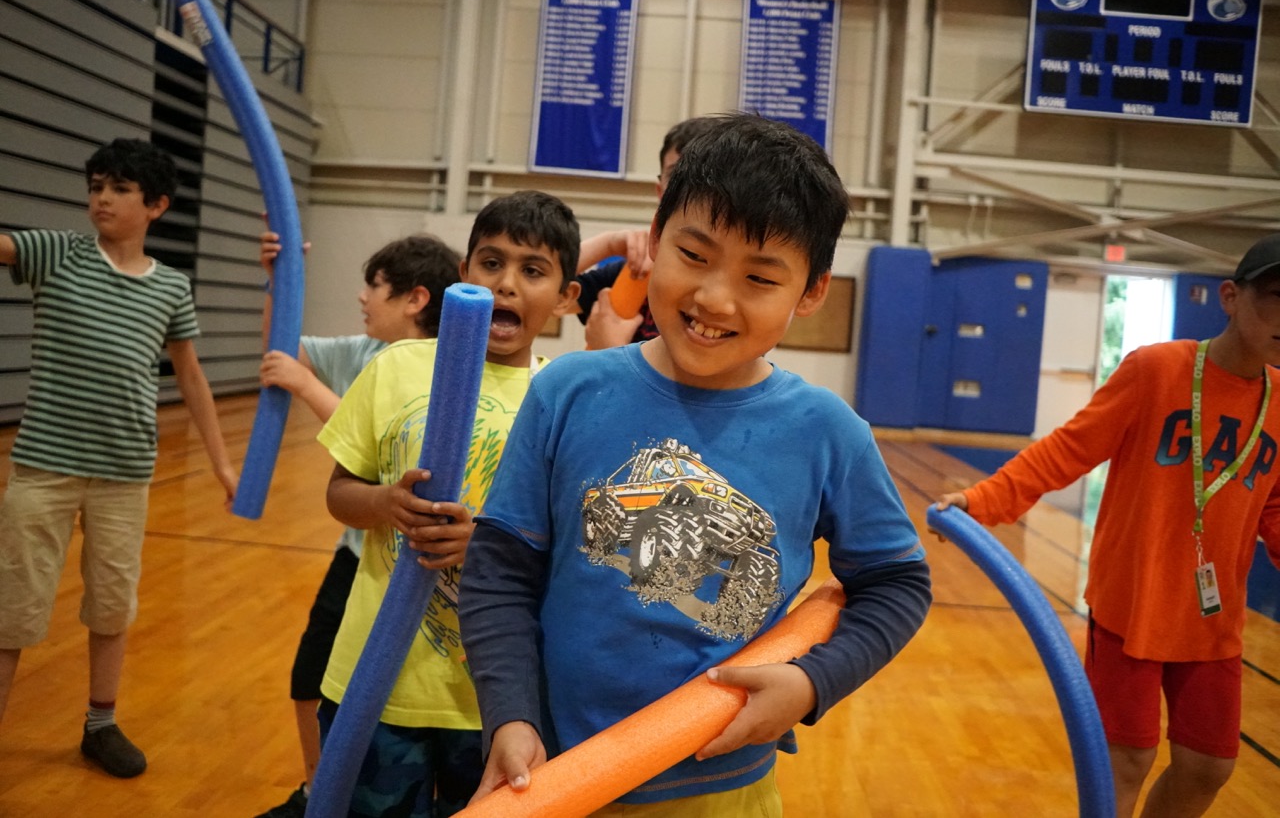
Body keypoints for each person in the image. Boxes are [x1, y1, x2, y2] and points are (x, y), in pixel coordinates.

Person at [457, 114, 932, 814]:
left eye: (760, 277)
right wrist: (511, 713)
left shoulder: (829, 433)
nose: (714, 297)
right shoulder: (565, 391)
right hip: (554, 776)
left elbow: (895, 583)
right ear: (655, 241)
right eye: (695, 254)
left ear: (811, 292)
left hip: (725, 790)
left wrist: (811, 683)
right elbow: (499, 572)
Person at [934, 234, 1280, 818]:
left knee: (1208, 767)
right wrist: (982, 501)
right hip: (1132, 608)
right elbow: (1066, 451)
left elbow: (1272, 502)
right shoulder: (1157, 370)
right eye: (1275, 296)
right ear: (1230, 296)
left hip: (1213, 624)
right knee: (1124, 764)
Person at [314, 190, 581, 816]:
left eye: (533, 271)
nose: (507, 284)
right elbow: (339, 493)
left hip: (495, 702)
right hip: (374, 682)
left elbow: (573, 550)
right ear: (464, 275)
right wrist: (385, 503)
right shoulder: (397, 367)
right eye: (491, 263)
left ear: (567, 297)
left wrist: (485, 547)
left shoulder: (566, 397)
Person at [0, 138, 238, 778]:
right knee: (13, 608)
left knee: (111, 606)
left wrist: (221, 465)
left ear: (155, 205)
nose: (102, 198)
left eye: (119, 189)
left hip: (124, 476)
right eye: (96, 186)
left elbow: (190, 378)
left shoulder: (171, 288)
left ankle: (99, 724)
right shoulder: (56, 254)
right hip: (43, 469)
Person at [253, 233, 462, 818]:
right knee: (310, 674)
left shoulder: (441, 368)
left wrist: (304, 385)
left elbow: (363, 438)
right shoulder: (359, 351)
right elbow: (283, 350)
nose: (362, 297)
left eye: (374, 285)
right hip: (356, 554)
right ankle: (319, 788)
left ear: (415, 298)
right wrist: (277, 279)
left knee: (401, 694)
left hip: (415, 567)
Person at [574, 115, 723, 349]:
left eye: (703, 175)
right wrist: (609, 244)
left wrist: (609, 351)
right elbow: (547, 287)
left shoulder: (732, 282)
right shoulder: (638, 268)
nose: (689, 188)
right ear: (660, 190)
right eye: (677, 175)